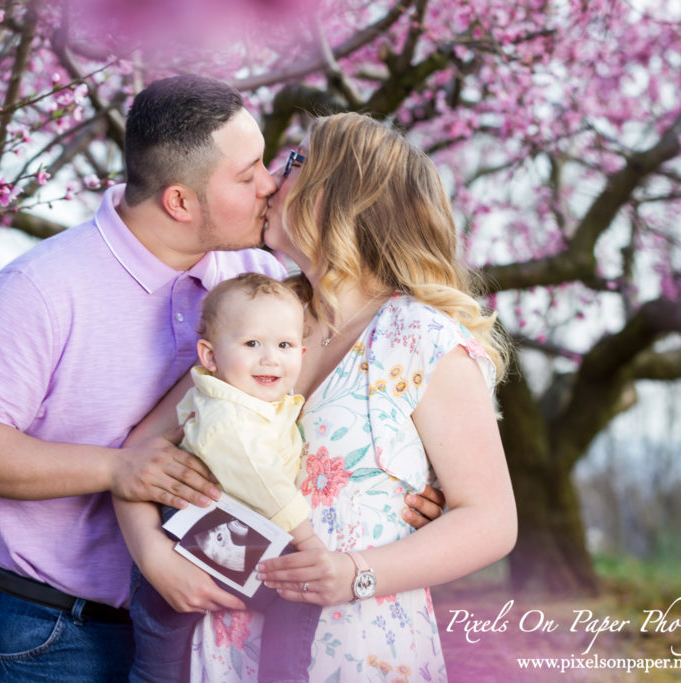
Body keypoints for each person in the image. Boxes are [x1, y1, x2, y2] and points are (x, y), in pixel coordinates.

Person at [0, 74, 442, 682]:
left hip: (216, 634)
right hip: (63, 634)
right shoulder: (40, 291)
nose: (271, 183)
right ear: (180, 202)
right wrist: (117, 469)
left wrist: (407, 493)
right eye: (247, 177)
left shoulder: (257, 277)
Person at [182, 112, 519, 681]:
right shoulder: (262, 318)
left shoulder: (420, 336)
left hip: (357, 645)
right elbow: (152, 455)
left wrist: (355, 571)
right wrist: (163, 548)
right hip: (232, 637)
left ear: (336, 194)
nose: (270, 179)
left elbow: (490, 520)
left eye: (293, 163)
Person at [119, 273, 325, 683]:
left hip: (198, 529)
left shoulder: (247, 401)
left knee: (160, 665)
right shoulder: (226, 416)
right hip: (201, 532)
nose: (270, 358)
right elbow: (262, 480)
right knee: (298, 591)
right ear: (209, 356)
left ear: (301, 351)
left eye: (284, 346)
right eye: (252, 344)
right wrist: (308, 539)